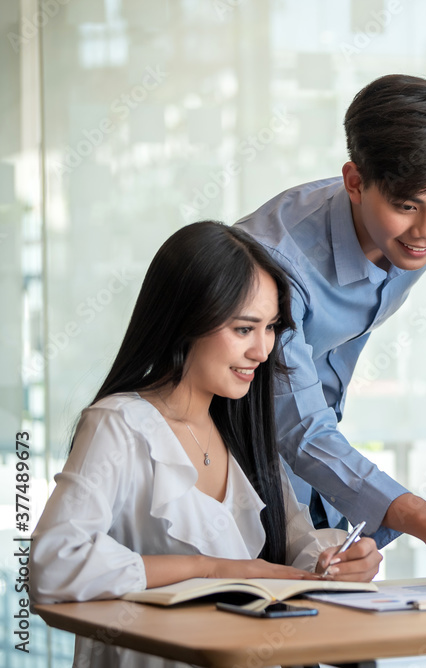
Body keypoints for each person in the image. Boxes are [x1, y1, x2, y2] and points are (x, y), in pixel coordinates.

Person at [30, 221, 381, 668]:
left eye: (271, 328)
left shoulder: (243, 428)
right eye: (243, 329)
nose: (263, 350)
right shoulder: (119, 424)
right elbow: (55, 564)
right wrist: (212, 570)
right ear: (185, 320)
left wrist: (339, 562)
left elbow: (297, 548)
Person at [236, 73, 426, 581]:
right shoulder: (272, 262)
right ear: (354, 182)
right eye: (407, 206)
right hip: (231, 462)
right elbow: (299, 425)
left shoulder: (414, 237)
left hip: (311, 461)